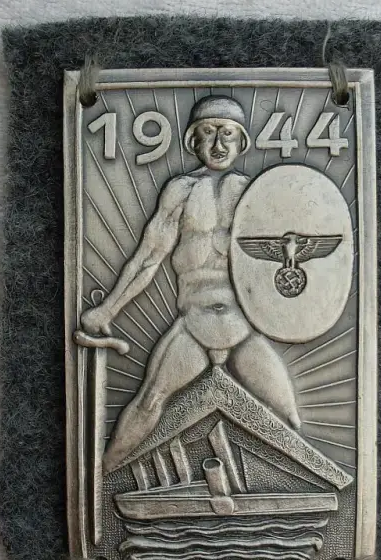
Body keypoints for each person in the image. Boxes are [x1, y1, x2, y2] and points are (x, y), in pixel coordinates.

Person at [81, 95, 301, 473]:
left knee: (290, 418)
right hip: (193, 324)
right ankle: (101, 476)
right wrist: (108, 309)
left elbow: (281, 261)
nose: (218, 144)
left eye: (227, 134)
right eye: (208, 133)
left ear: (241, 141)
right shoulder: (179, 190)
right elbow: (149, 257)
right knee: (150, 401)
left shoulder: (256, 193)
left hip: (243, 327)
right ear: (193, 141)